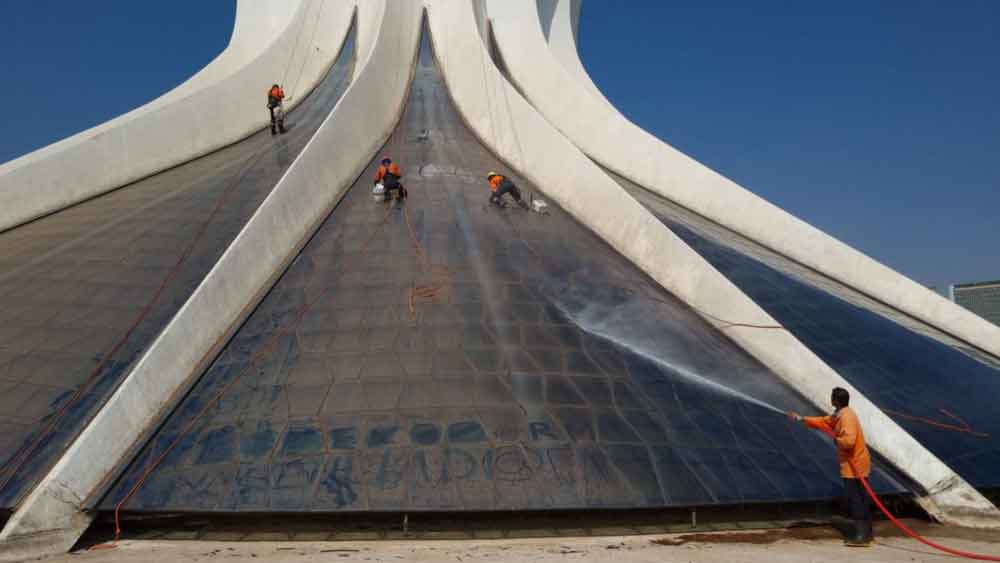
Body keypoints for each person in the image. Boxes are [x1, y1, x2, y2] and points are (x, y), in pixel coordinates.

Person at [789, 387, 873, 547]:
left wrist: (837, 440)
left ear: (836, 401)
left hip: (854, 466)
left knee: (856, 500)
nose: (830, 400)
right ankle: (867, 534)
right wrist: (801, 419)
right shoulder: (840, 414)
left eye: (832, 397)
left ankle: (862, 536)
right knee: (861, 498)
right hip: (856, 464)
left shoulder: (847, 417)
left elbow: (849, 441)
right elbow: (824, 421)